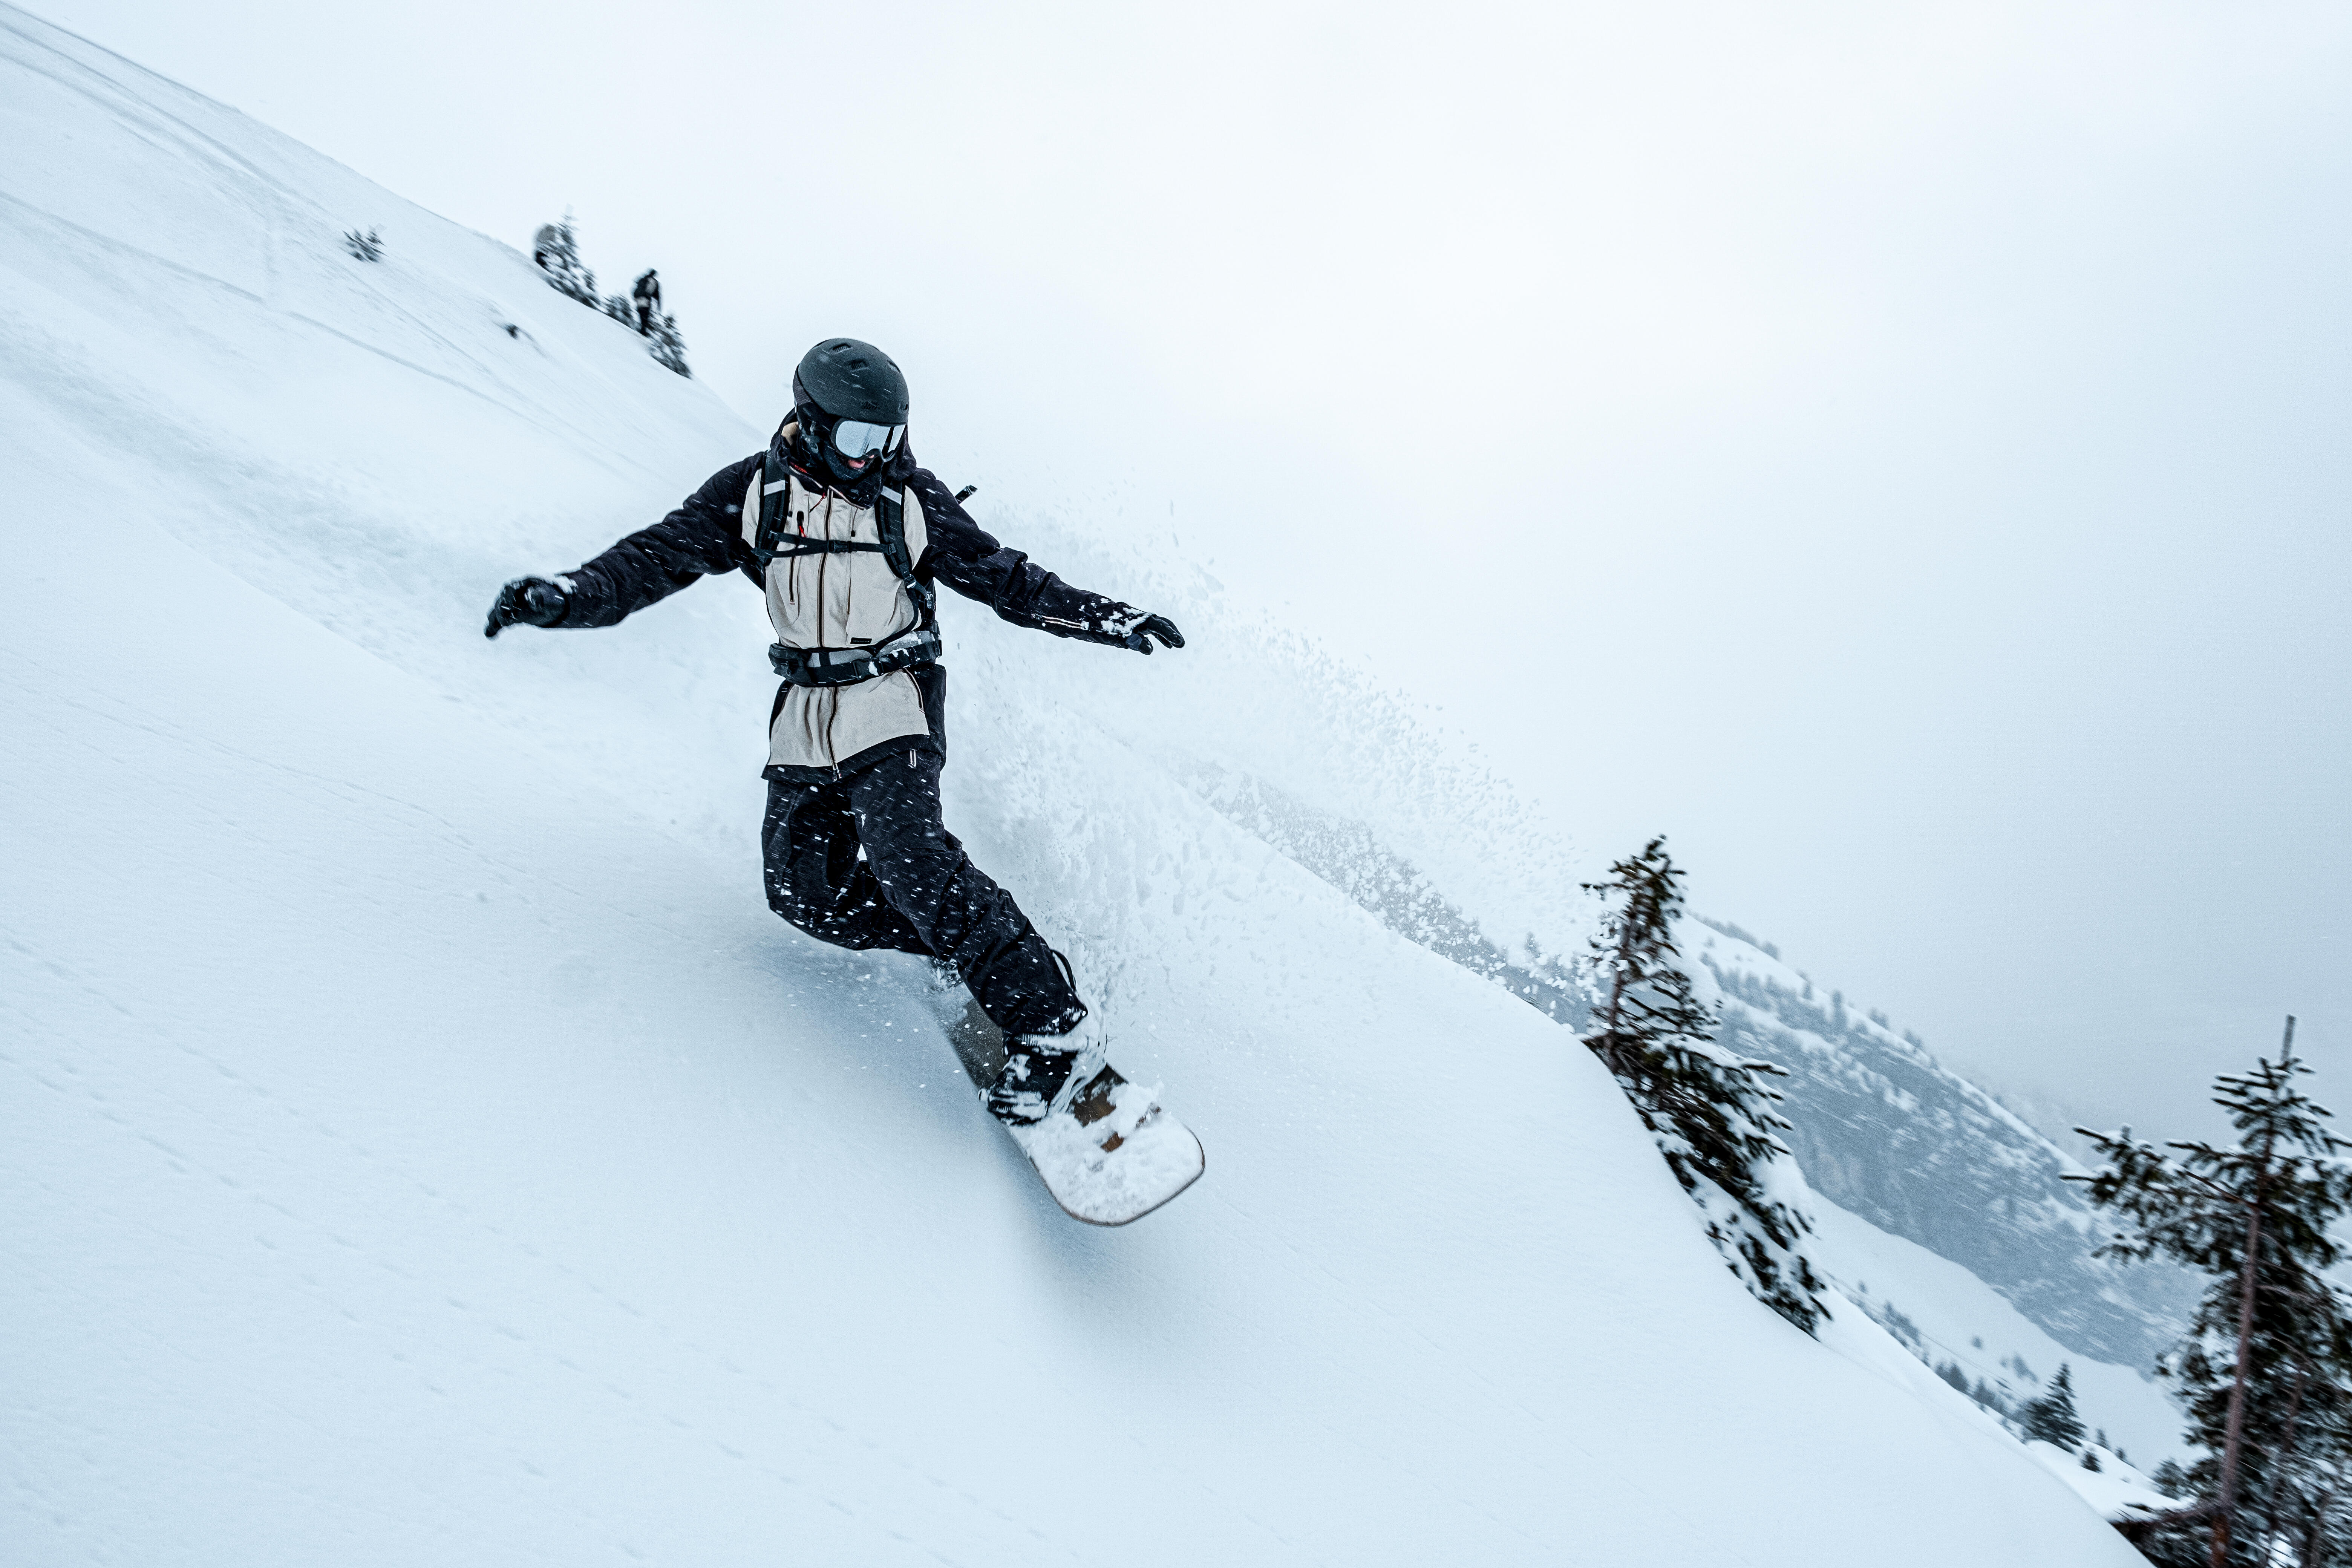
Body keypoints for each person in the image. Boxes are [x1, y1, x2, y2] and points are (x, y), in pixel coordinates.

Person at [485, 338, 1184, 1125]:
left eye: (889, 439)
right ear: (811, 423)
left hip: (893, 693)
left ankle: (1051, 1025)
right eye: (858, 440)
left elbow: (1007, 579)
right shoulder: (755, 493)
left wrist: (1104, 618)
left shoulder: (909, 499)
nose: (874, 457)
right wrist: (570, 595)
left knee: (911, 855)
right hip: (807, 711)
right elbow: (658, 555)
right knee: (801, 896)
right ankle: (958, 940)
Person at [632, 269, 662, 336]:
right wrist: (659, 306)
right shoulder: (654, 282)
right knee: (645, 316)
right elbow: (657, 295)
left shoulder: (643, 278)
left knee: (642, 314)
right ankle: (643, 332)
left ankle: (642, 330)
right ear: (654, 275)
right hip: (646, 300)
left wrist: (635, 296)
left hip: (638, 299)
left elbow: (637, 286)